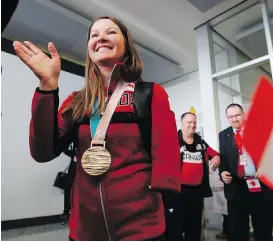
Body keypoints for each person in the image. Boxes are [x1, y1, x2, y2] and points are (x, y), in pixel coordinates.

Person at [13, 16, 181, 241]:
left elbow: (166, 159)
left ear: (127, 45)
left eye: (111, 32)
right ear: (90, 49)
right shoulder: (77, 101)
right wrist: (47, 86)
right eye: (94, 35)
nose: (101, 37)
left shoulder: (150, 93)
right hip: (85, 231)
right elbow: (43, 151)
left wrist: (164, 210)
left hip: (142, 230)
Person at [218, 103, 273, 241]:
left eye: (237, 115)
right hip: (237, 187)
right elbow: (224, 159)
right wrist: (222, 173)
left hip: (260, 186)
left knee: (263, 229)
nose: (234, 119)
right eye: (230, 117)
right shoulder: (224, 135)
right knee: (237, 231)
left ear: (243, 114)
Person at [174, 112, 220, 241]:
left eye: (194, 122)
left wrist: (216, 156)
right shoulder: (173, 140)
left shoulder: (200, 142)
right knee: (177, 226)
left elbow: (214, 153)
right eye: (189, 122)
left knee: (194, 226)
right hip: (179, 192)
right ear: (182, 123)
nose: (192, 125)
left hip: (197, 191)